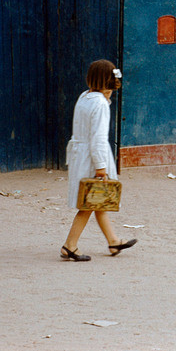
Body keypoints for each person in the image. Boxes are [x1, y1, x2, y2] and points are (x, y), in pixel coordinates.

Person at [61, 60, 137, 261]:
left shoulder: (84, 96)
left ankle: (113, 241)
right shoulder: (101, 104)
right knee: (89, 202)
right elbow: (98, 139)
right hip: (92, 157)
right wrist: (101, 167)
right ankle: (70, 245)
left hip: (80, 154)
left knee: (98, 201)